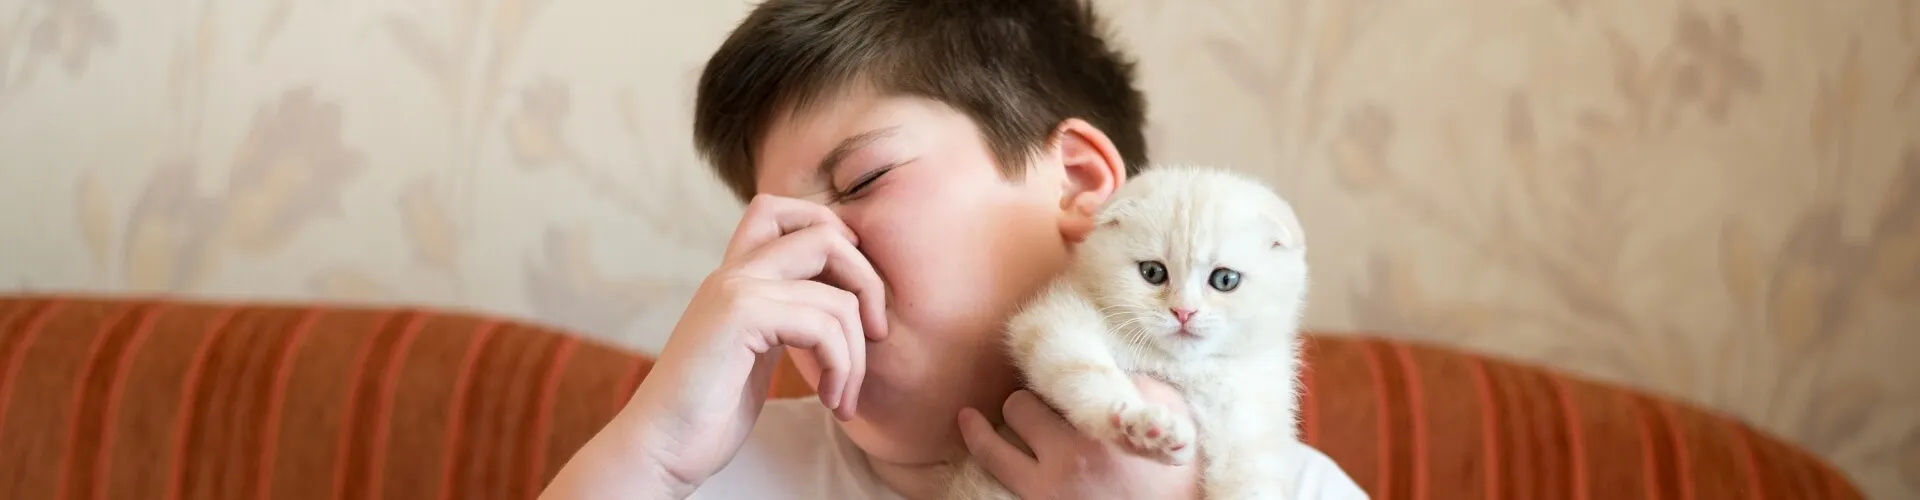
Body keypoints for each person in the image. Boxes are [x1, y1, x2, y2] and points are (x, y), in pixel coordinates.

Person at [541, 1, 1366, 498]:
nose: (813, 251)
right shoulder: (709, 473)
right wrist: (650, 456)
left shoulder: (1274, 481)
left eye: (862, 180)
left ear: (1081, 185)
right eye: (781, 230)